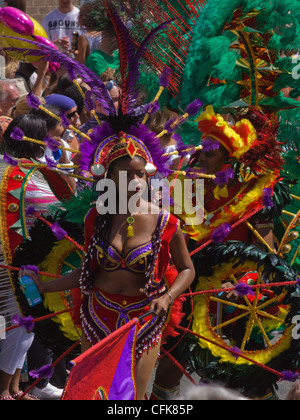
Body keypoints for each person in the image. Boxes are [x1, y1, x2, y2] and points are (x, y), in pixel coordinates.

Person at [22, 113, 195, 400]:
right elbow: (87, 272)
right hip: (99, 313)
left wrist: (168, 297)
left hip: (143, 319)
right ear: (111, 177)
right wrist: (44, 287)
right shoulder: (97, 217)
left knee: (132, 399)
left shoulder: (166, 221)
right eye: (128, 174)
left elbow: (187, 269)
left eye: (141, 174)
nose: (137, 180)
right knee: (92, 394)